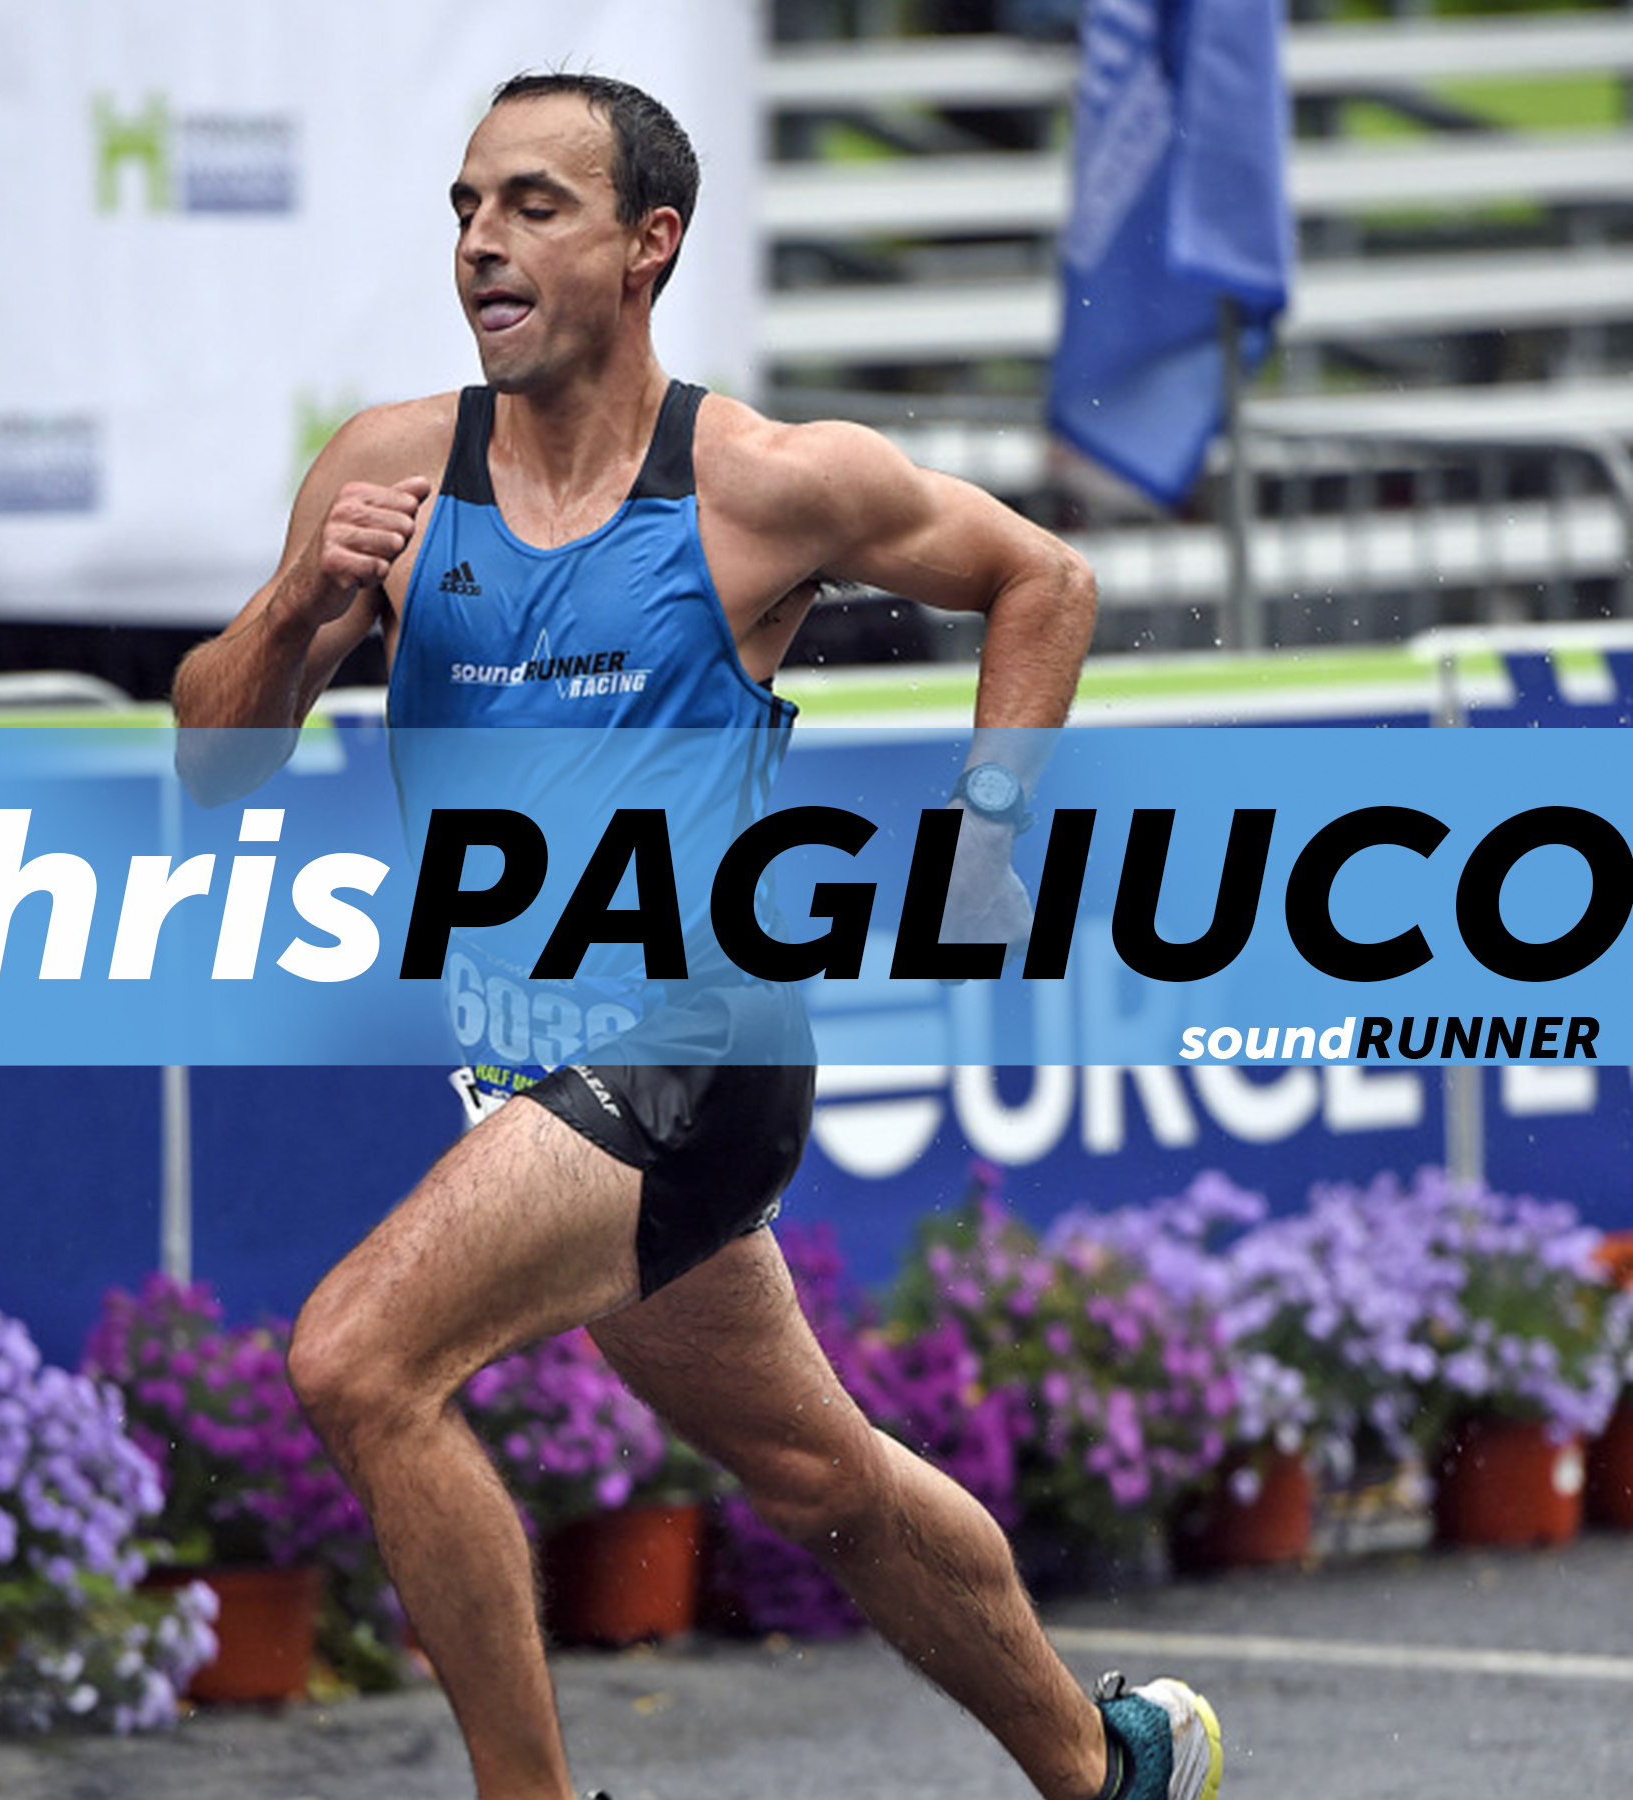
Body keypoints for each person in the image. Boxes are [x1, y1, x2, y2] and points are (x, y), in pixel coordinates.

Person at [171, 70, 1221, 1800]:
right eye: (466, 207)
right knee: (821, 1478)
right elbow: (215, 768)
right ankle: (1106, 1763)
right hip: (523, 1074)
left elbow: (1046, 579)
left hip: (696, 1038)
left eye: (535, 206)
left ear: (648, 245)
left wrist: (992, 828)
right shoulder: (387, 469)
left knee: (359, 1360)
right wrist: (298, 606)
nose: (483, 242)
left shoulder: (761, 482)